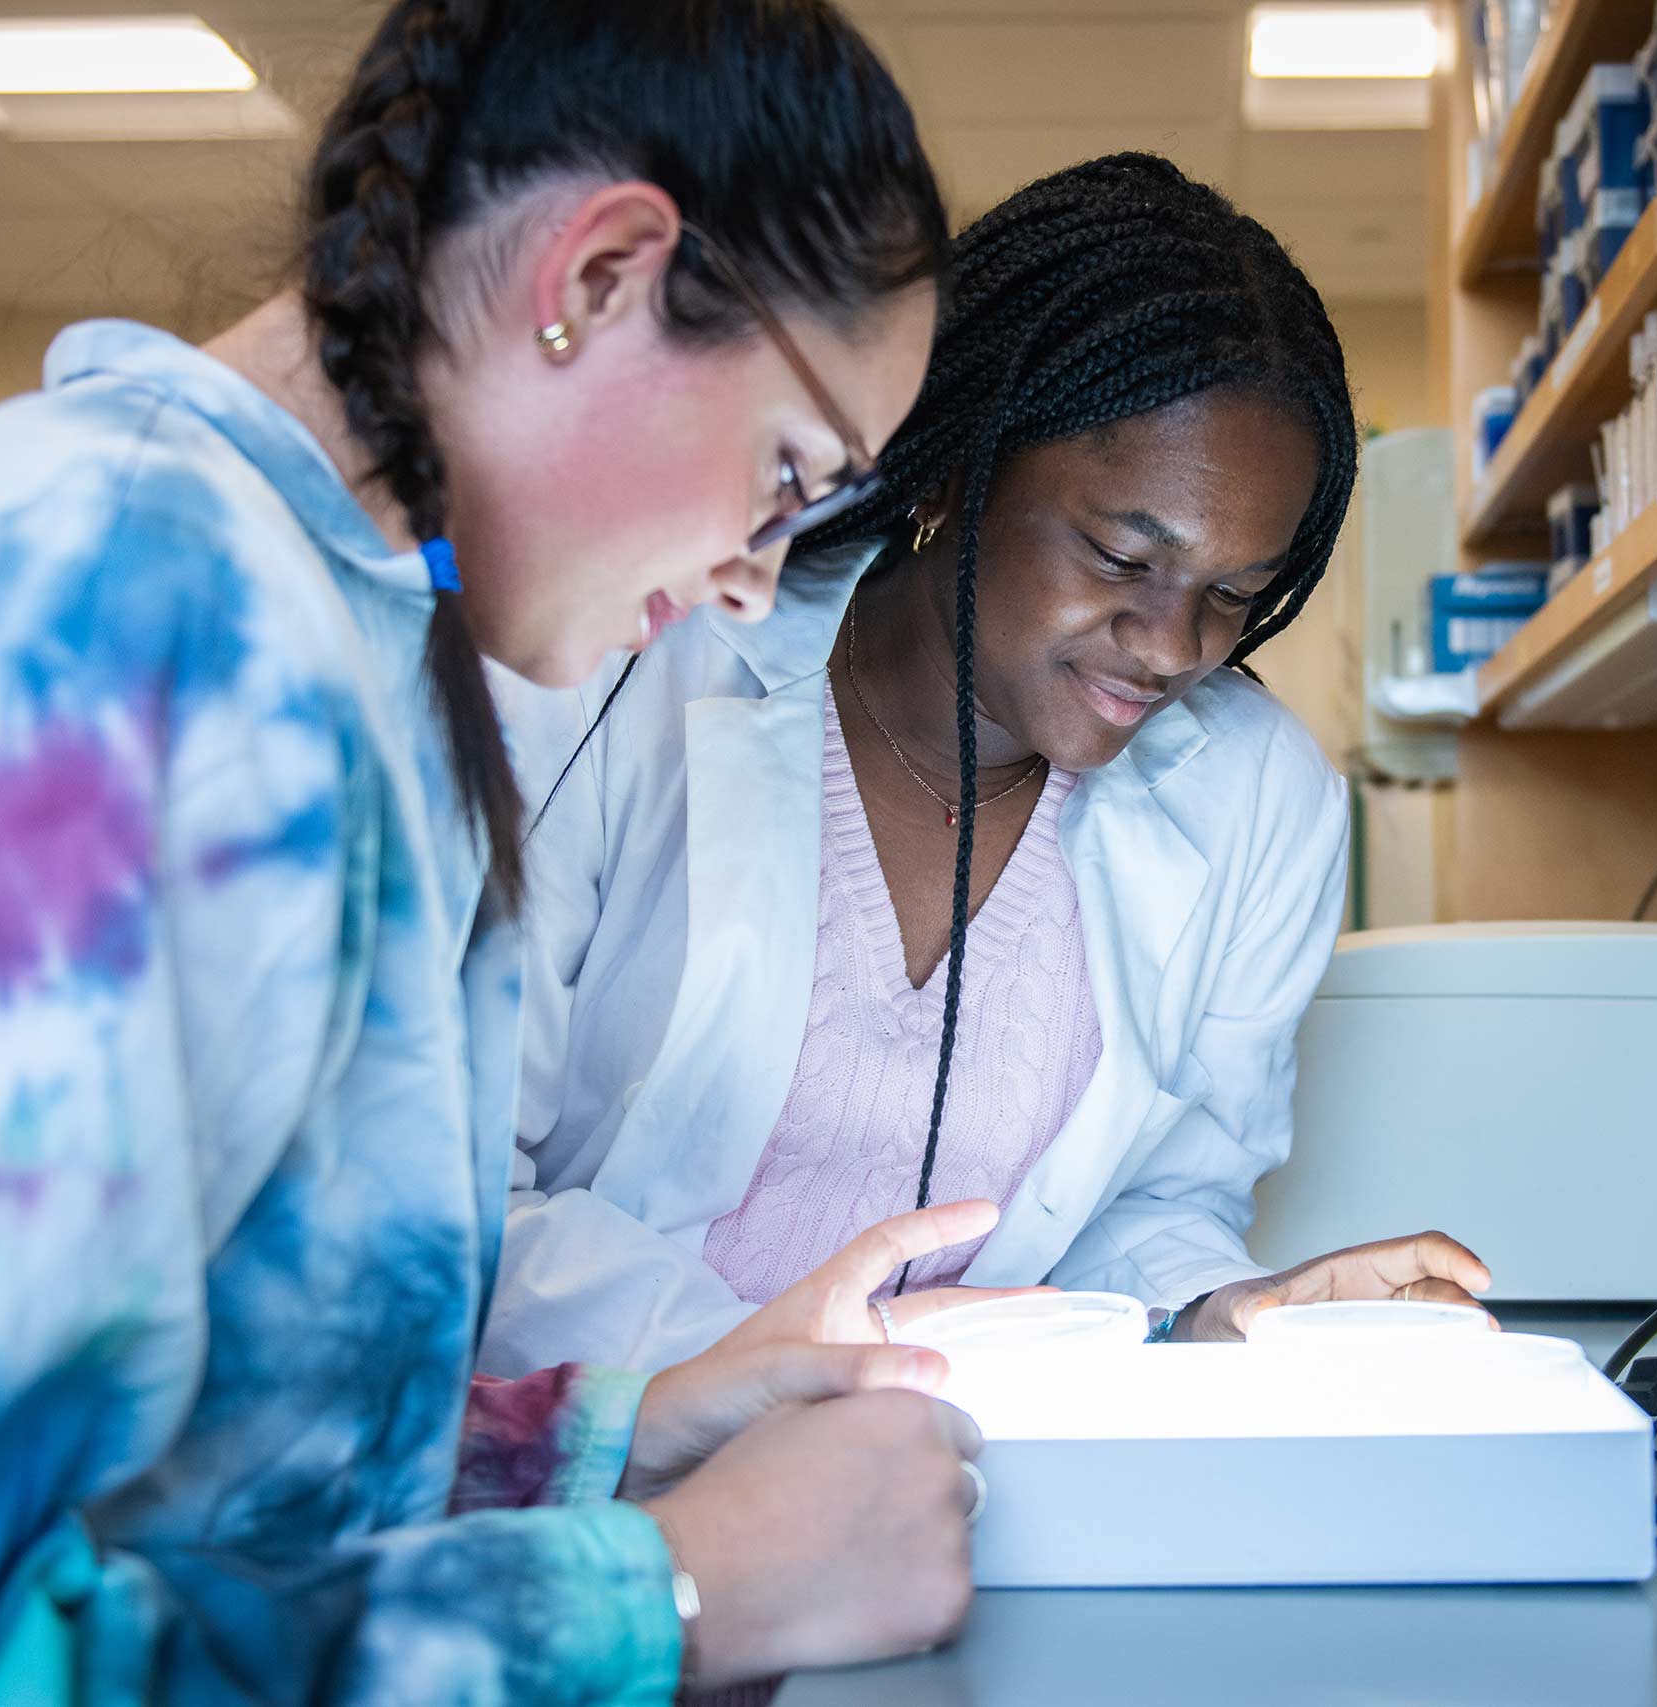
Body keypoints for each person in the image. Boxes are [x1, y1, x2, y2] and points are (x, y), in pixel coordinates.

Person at [0, 4, 1005, 1701]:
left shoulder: (357, 640)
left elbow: (212, 1452)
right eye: (789, 474)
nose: (756, 579)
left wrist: (621, 1441)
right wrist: (671, 1590)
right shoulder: (96, 608)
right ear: (597, 279)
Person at [487, 154, 1491, 1378]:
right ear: (962, 464)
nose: (1173, 646)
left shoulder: (1258, 800)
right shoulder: (625, 673)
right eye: (1122, 557)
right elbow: (456, 1198)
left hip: (979, 1476)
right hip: (607, 1466)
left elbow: (1160, 1204)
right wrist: (802, 1356)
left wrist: (1225, 1311)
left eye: (1234, 594)